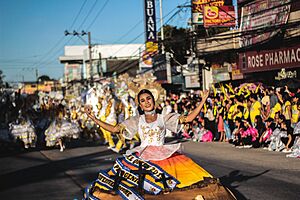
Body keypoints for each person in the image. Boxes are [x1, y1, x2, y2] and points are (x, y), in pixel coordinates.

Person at [83, 89, 234, 199]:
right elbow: (115, 129)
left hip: (165, 156)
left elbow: (187, 119)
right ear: (140, 106)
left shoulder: (164, 118)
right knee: (141, 188)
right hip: (142, 156)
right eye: (142, 101)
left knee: (174, 187)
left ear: (153, 100)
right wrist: (94, 119)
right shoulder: (136, 120)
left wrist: (202, 101)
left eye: (148, 98)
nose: (146, 102)